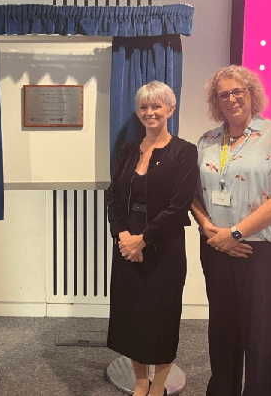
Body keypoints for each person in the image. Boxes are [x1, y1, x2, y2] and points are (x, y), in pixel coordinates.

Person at [106, 81, 199, 396]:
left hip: (164, 244)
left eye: (157, 106)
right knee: (131, 312)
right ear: (137, 112)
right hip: (126, 241)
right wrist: (123, 235)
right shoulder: (128, 149)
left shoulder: (184, 151)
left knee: (162, 315)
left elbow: (178, 206)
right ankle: (140, 380)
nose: (150, 112)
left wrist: (142, 240)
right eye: (144, 107)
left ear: (170, 109)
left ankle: (158, 385)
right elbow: (113, 196)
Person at [191, 65, 271, 396]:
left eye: (238, 91)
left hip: (258, 249)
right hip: (215, 247)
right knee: (222, 330)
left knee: (261, 333)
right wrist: (208, 228)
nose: (231, 99)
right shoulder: (207, 140)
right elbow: (192, 194)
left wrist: (235, 233)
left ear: (252, 94)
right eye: (223, 95)